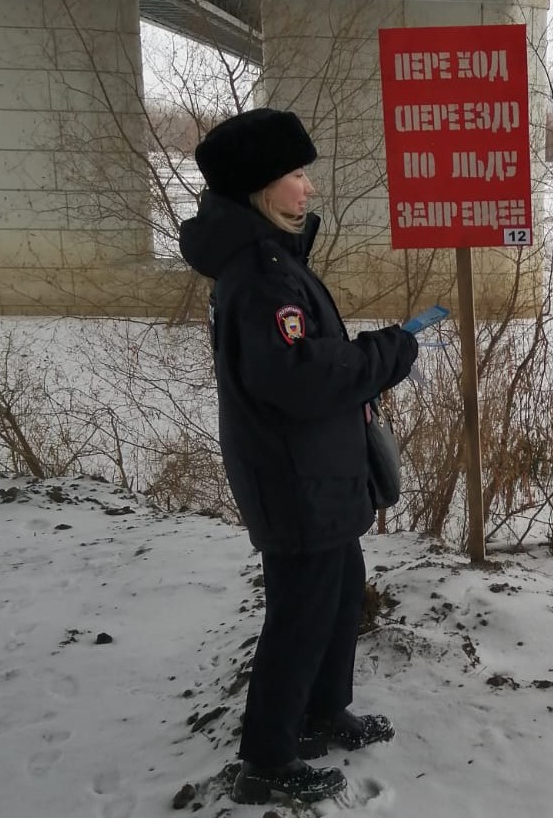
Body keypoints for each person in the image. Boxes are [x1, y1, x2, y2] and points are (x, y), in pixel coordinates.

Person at [179, 108, 419, 804]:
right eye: (295, 174)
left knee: (339, 592)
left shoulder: (272, 260)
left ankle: (321, 711)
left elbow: (303, 360)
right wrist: (385, 354)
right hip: (294, 474)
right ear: (260, 186)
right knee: (300, 612)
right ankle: (269, 759)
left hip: (314, 467)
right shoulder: (260, 275)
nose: (309, 188)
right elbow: (298, 377)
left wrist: (366, 354)